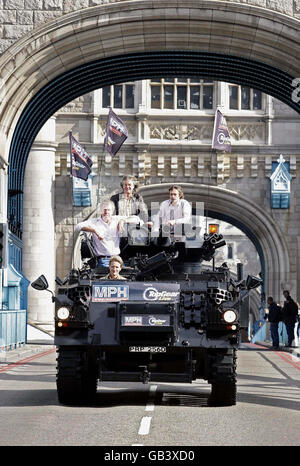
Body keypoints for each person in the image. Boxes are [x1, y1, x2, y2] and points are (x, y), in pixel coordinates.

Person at [75, 199, 125, 267]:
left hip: (117, 259)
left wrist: (122, 221)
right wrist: (94, 230)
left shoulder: (116, 220)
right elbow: (78, 226)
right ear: (101, 211)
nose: (106, 212)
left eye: (108, 210)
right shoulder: (94, 222)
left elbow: (136, 219)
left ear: (112, 211)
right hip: (103, 260)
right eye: (104, 210)